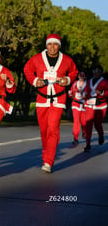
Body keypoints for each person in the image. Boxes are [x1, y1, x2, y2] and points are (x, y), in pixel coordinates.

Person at [24, 34, 78, 173]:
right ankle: (46, 155)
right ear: (46, 45)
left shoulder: (66, 60)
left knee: (53, 129)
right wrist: (35, 81)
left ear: (59, 46)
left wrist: (67, 79)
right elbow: (27, 70)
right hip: (42, 99)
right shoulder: (37, 58)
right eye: (50, 44)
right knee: (44, 131)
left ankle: (49, 161)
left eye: (55, 44)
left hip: (58, 99)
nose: (52, 47)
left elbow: (73, 72)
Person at [83, 65, 108, 152]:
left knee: (97, 124)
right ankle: (88, 144)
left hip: (100, 105)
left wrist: (102, 92)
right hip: (90, 104)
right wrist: (85, 94)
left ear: (101, 72)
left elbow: (107, 92)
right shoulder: (89, 81)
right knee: (88, 124)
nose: (96, 72)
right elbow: (86, 91)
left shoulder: (105, 82)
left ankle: (101, 135)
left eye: (98, 71)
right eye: (95, 71)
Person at [68, 72, 87, 146]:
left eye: (83, 76)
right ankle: (75, 138)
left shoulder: (87, 84)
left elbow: (90, 94)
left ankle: (84, 132)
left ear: (84, 77)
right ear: (78, 76)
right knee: (76, 121)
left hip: (84, 105)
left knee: (84, 122)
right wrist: (70, 94)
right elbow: (71, 93)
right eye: (80, 76)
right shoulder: (75, 84)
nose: (81, 77)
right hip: (75, 104)